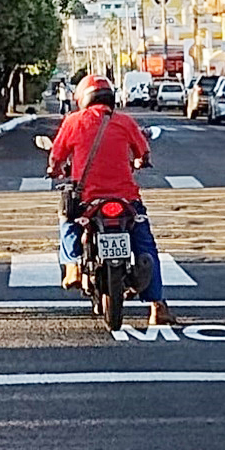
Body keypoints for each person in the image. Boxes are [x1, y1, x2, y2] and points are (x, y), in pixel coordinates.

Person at [49, 74, 174, 325]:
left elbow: (56, 157)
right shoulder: (125, 122)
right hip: (126, 199)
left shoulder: (73, 121)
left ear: (83, 98)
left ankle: (72, 265)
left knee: (67, 219)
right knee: (146, 245)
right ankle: (157, 306)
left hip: (88, 200)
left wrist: (55, 170)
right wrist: (140, 161)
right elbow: (143, 152)